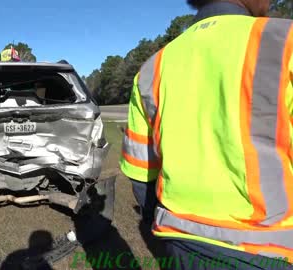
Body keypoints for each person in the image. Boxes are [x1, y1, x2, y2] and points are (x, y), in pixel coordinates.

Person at [120, 0, 293, 269]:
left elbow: (142, 177)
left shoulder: (152, 68)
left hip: (179, 243)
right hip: (269, 247)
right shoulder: (285, 41)